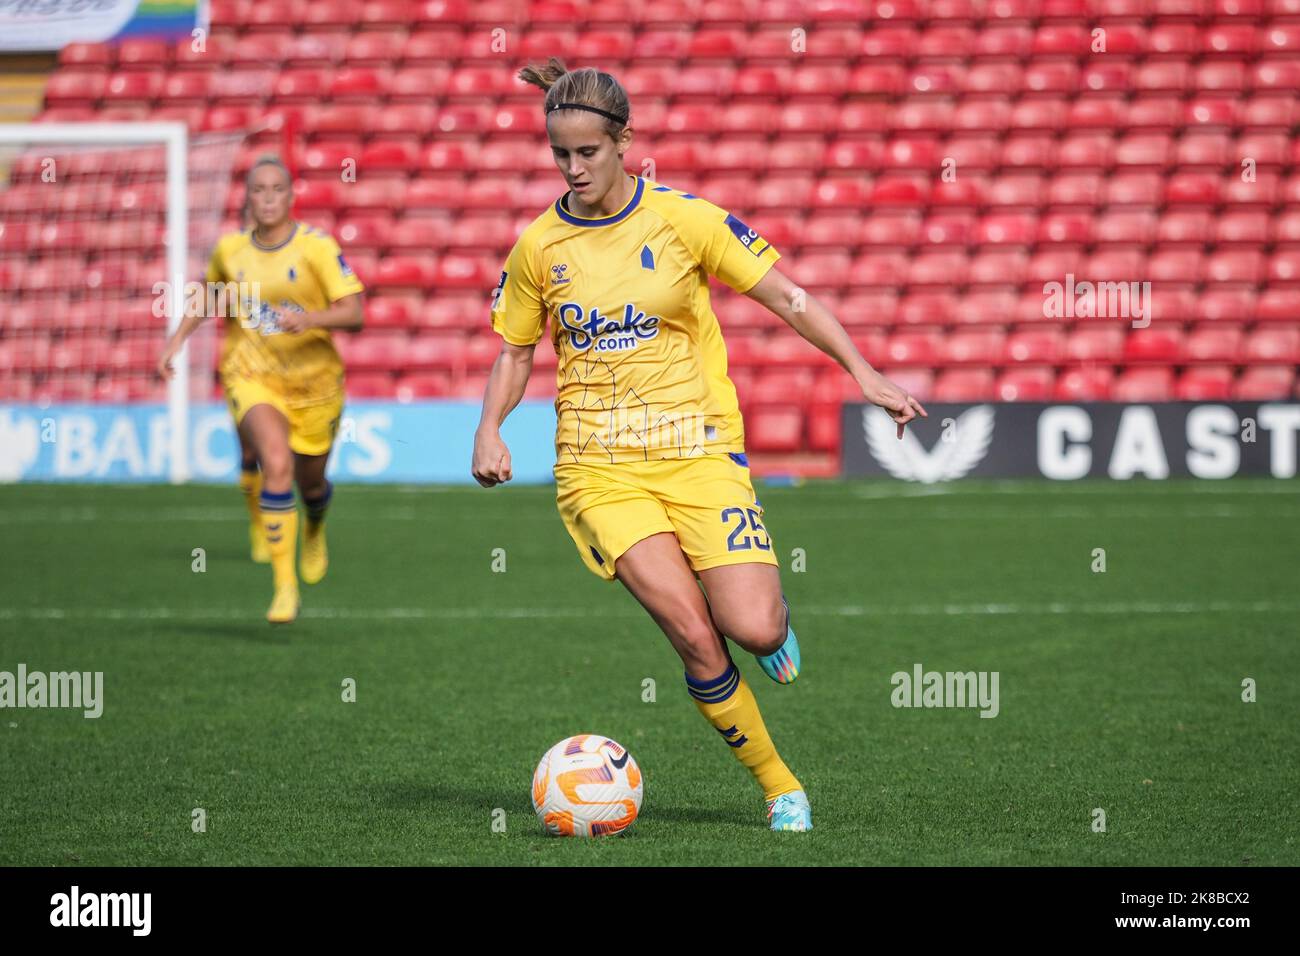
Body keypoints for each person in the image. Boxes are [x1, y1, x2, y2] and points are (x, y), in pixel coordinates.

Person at [471, 59, 926, 832]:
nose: (574, 168)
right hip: (598, 468)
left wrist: (864, 370)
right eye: (560, 155)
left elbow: (788, 296)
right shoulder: (538, 248)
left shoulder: (687, 221)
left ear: (624, 142)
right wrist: (490, 426)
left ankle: (774, 633)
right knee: (690, 629)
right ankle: (781, 785)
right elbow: (516, 351)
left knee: (753, 626)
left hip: (698, 452)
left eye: (588, 152)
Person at [159, 155, 365, 623]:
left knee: (311, 483)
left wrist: (309, 319)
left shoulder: (316, 248)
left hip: (315, 385)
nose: (267, 198)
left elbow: (355, 314)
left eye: (276, 190)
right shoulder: (230, 250)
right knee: (274, 462)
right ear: (247, 198)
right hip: (251, 375)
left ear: (291, 198)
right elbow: (209, 295)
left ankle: (314, 525)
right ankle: (284, 588)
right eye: (258, 190)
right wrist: (174, 342)